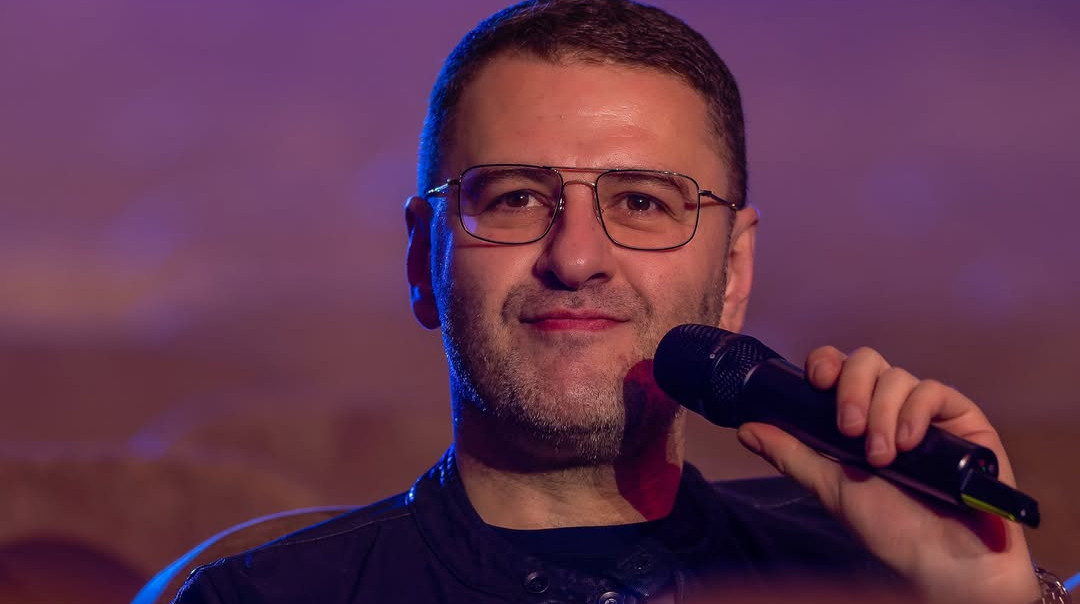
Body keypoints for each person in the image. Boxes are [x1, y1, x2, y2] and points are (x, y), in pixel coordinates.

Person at [172, 1, 1065, 602]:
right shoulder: (264, 598)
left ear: (734, 270)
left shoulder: (870, 571)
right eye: (515, 198)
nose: (575, 258)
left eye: (641, 202)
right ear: (421, 257)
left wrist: (985, 598)